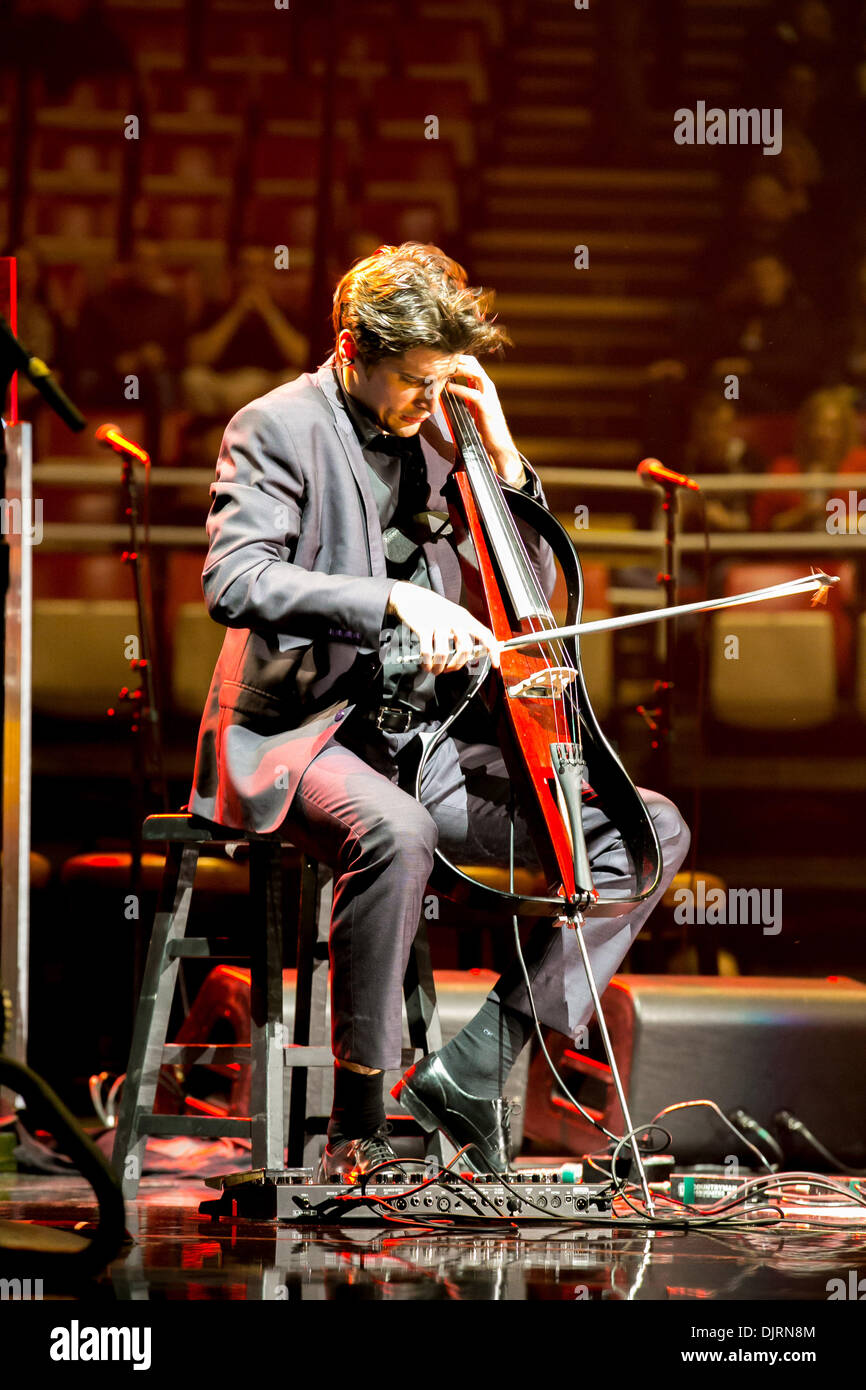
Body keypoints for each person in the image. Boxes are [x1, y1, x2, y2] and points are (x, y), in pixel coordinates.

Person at [187, 243, 690, 1181]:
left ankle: (477, 1064)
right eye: (415, 382)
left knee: (644, 831)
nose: (430, 400)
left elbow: (529, 599)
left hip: (426, 743)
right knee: (397, 831)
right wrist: (391, 601)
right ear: (351, 348)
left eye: (443, 382)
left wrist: (501, 455)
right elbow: (234, 577)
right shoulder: (276, 426)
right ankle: (359, 1125)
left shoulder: (446, 440)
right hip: (305, 735)